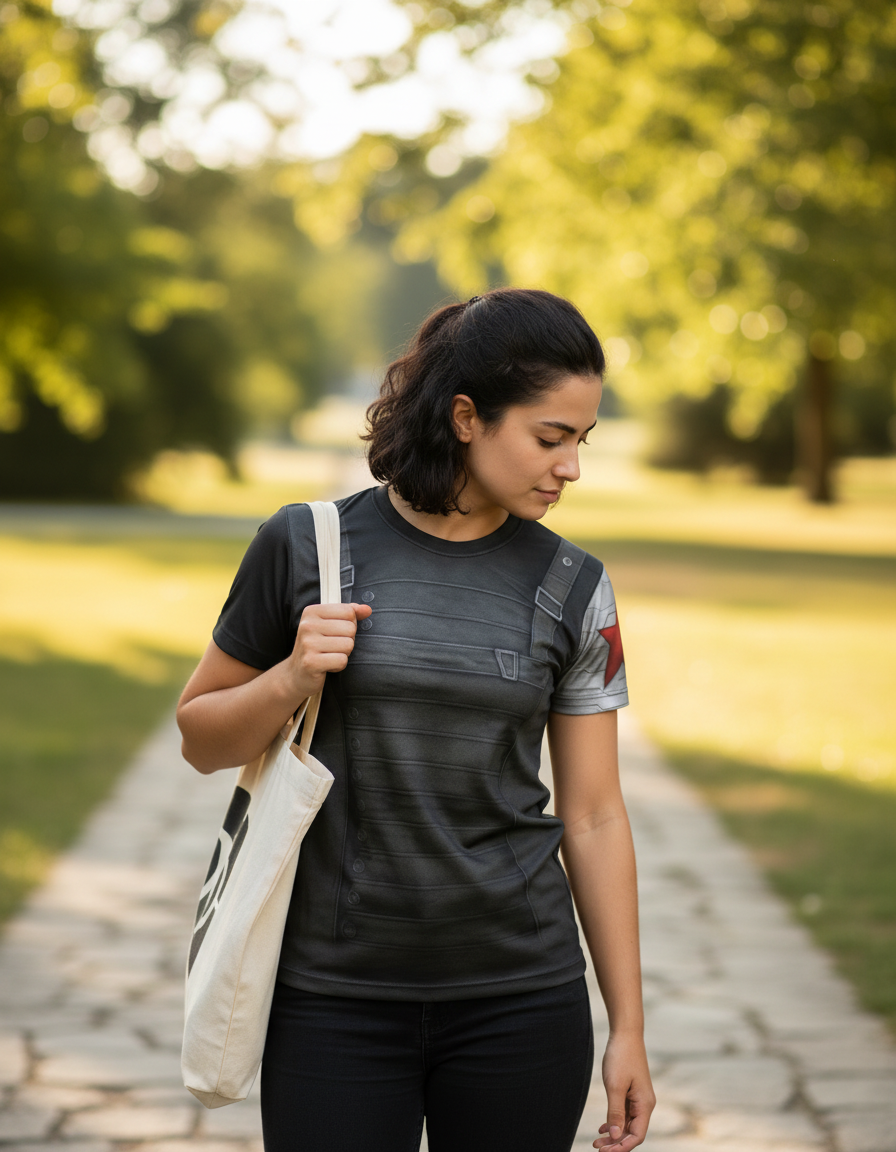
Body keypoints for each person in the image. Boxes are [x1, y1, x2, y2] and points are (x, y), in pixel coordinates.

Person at [177, 288, 655, 1152]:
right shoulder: (304, 547)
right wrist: (290, 675)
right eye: (551, 438)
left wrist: (628, 1025)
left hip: (523, 999)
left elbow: (592, 812)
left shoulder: (577, 586)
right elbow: (200, 737)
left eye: (581, 440)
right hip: (332, 1003)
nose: (571, 467)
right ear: (467, 416)